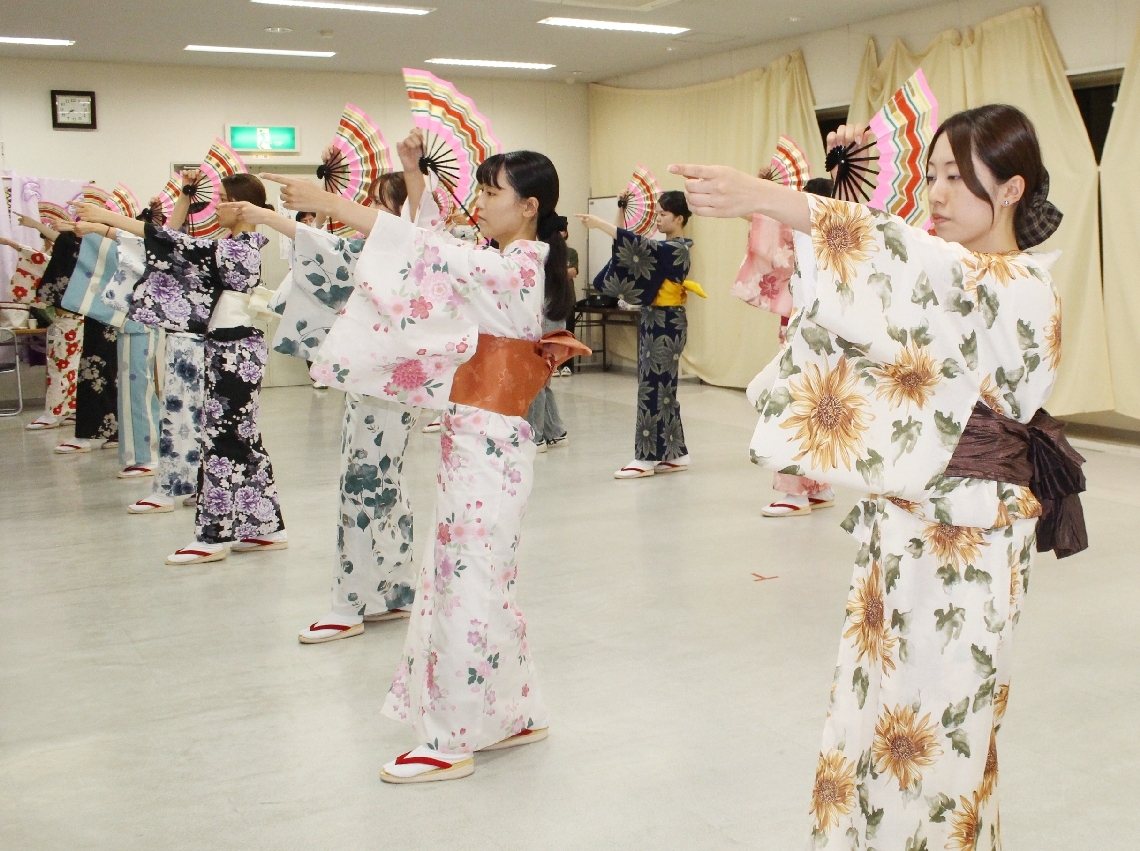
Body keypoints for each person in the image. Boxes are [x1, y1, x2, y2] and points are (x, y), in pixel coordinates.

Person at [672, 104, 1086, 849]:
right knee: (877, 707)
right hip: (904, 521)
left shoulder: (1021, 284)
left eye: (958, 177)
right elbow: (882, 291)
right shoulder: (955, 269)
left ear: (1014, 188)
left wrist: (769, 197)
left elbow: (898, 253)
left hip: (970, 533)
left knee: (942, 725)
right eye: (931, 175)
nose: (937, 193)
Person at [264, 131, 585, 783]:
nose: (480, 201)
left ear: (528, 205)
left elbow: (428, 252)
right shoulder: (511, 260)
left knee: (466, 586)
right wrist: (415, 178)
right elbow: (437, 242)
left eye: (492, 192)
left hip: (487, 448)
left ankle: (451, 735)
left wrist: (339, 206)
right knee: (478, 582)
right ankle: (517, 710)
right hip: (479, 440)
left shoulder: (520, 266)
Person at [224, 172, 424, 644]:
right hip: (386, 377)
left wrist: (269, 217)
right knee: (385, 483)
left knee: (363, 482)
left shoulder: (406, 249)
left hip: (389, 378)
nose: (368, 209)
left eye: (378, 202)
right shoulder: (394, 250)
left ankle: (351, 604)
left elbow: (333, 255)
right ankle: (394, 589)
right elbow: (335, 256)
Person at [77, 173, 288, 566]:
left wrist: (108, 220)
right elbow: (173, 245)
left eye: (224, 198)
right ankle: (266, 526)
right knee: (241, 440)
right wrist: (103, 225)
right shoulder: (230, 244)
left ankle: (212, 536)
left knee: (223, 443)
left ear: (242, 205)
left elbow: (172, 241)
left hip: (235, 350)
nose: (216, 204)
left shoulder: (240, 249)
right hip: (228, 347)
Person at [578, 190, 705, 479]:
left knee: (653, 388)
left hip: (666, 322)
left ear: (680, 218)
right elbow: (628, 248)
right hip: (657, 319)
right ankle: (675, 452)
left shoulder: (677, 249)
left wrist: (600, 224)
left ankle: (647, 457)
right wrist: (620, 212)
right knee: (663, 389)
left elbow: (634, 243)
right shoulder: (665, 247)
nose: (658, 219)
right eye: (657, 213)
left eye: (664, 214)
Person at [733, 175, 837, 517]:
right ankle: (819, 485)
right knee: (805, 411)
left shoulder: (818, 236)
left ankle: (794, 495)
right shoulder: (837, 238)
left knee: (784, 409)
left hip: (811, 334)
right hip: (818, 336)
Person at [525, 215, 576, 451]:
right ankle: (555, 431)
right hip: (556, 322)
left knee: (536, 381)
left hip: (544, 322)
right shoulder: (558, 254)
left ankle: (535, 436)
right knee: (543, 382)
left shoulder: (540, 255)